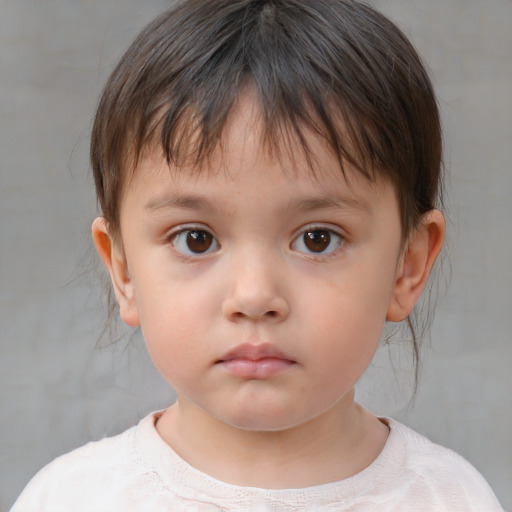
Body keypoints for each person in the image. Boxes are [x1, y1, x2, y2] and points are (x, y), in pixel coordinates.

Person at [11, 0, 504, 510]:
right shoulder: (71, 498)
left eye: (318, 238)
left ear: (408, 265)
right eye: (195, 239)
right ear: (123, 270)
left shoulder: (452, 499)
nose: (254, 296)